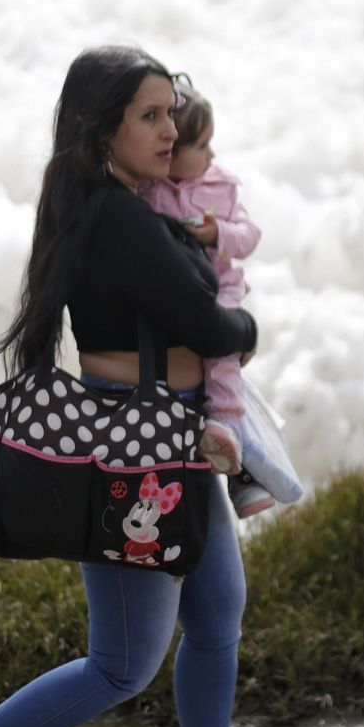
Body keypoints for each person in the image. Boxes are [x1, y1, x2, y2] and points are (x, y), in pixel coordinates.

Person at [0, 45, 311, 727]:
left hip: (174, 435)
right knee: (121, 664)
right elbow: (207, 322)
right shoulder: (116, 217)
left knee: (217, 614)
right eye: (149, 116)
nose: (170, 129)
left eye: (170, 113)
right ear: (102, 128)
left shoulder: (128, 205)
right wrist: (247, 329)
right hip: (136, 449)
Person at [139, 84, 296, 519]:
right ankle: (240, 466)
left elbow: (250, 235)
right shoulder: (148, 191)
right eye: (201, 146)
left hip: (220, 289)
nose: (211, 155)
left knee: (221, 356)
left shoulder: (220, 186)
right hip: (175, 300)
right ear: (172, 150)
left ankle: (226, 425)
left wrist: (217, 234)